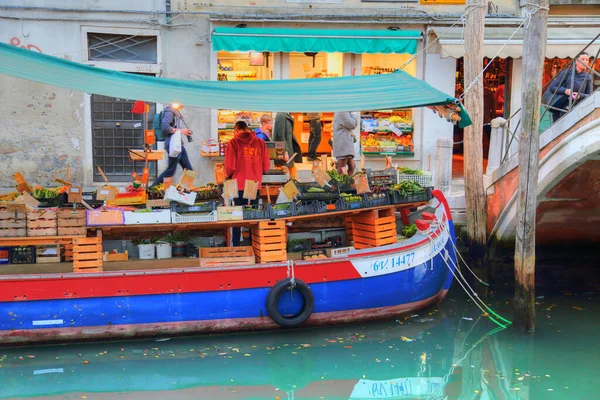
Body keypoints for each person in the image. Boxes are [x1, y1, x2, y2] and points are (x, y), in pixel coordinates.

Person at [225, 121, 270, 246]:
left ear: (236, 130)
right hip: (254, 184)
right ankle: (255, 246)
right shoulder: (260, 142)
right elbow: (266, 166)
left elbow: (230, 167)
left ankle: (237, 247)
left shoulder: (233, 143)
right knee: (253, 217)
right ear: (247, 129)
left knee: (237, 216)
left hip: (238, 184)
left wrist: (226, 175)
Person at [150, 103, 193, 188]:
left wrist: (184, 131)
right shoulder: (169, 111)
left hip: (178, 145)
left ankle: (186, 191)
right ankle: (151, 188)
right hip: (173, 146)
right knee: (171, 170)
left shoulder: (175, 111)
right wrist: (181, 131)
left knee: (189, 170)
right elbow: (164, 127)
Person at [548, 52, 593, 122]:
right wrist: (565, 91)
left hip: (577, 110)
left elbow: (589, 95)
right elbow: (553, 88)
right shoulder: (567, 73)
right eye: (582, 59)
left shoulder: (588, 77)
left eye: (587, 60)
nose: (585, 61)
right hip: (561, 108)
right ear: (576, 61)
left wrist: (579, 95)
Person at [272, 112, 302, 180]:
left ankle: (293, 188)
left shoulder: (287, 115)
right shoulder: (281, 115)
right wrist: (285, 152)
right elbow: (280, 135)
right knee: (281, 174)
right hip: (283, 150)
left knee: (292, 174)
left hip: (288, 148)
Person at [332, 111, 358, 176]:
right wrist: (354, 115)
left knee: (352, 166)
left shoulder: (343, 110)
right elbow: (352, 124)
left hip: (345, 141)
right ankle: (340, 185)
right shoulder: (342, 111)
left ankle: (348, 183)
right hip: (343, 142)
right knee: (341, 167)